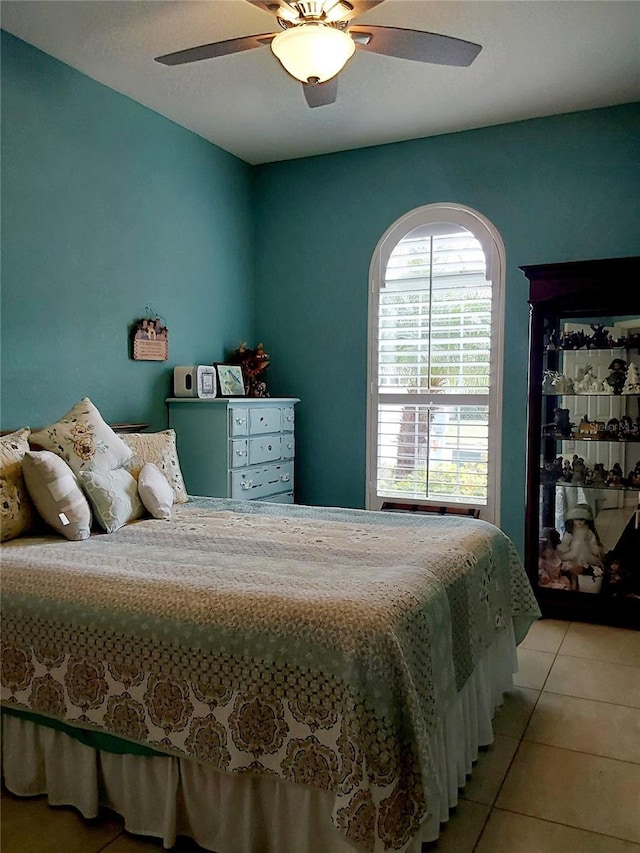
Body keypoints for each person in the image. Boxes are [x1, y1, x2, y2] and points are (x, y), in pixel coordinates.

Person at [557, 503, 604, 590]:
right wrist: (564, 547)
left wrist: (595, 548)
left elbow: (592, 542)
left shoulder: (588, 531)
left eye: (582, 520)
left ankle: (585, 584)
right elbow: (565, 542)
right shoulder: (570, 532)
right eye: (577, 519)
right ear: (572, 520)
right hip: (573, 554)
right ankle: (573, 585)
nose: (580, 522)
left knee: (584, 569)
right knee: (573, 571)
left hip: (585, 554)